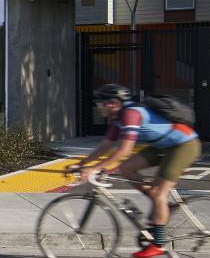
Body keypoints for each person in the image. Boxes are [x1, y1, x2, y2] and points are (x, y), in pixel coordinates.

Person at [76, 84, 200, 258]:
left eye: (101, 103)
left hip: (183, 145)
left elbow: (124, 151)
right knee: (126, 168)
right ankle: (160, 205)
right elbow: (105, 146)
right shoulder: (117, 119)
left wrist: (95, 168)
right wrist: (82, 164)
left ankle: (158, 244)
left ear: (113, 103)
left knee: (158, 194)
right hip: (162, 146)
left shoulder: (130, 114)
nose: (98, 106)